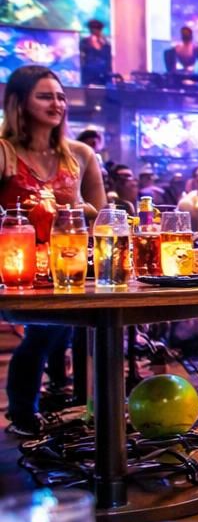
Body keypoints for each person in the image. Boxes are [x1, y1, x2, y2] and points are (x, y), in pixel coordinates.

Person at [0, 66, 106, 433]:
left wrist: (74, 210)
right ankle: (24, 411)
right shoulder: (4, 152)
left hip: (71, 263)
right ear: (18, 102)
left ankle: (85, 410)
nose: (57, 103)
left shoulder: (79, 154)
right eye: (45, 96)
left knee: (68, 330)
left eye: (60, 96)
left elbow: (101, 216)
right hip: (19, 266)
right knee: (47, 331)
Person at [78, 19, 112, 86]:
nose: (96, 31)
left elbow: (108, 61)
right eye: (93, 29)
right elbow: (82, 59)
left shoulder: (106, 44)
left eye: (98, 29)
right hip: (89, 76)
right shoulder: (84, 42)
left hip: (103, 77)